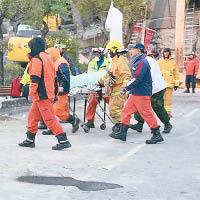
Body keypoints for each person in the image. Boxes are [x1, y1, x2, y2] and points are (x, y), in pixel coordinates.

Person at [18, 37, 71, 150]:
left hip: (42, 94)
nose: (30, 49)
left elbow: (35, 79)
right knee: (33, 117)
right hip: (46, 93)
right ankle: (30, 139)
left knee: (49, 119)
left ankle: (63, 139)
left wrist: (30, 94)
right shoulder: (48, 58)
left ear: (34, 47)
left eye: (30, 46)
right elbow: (54, 78)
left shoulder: (37, 59)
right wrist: (55, 94)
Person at [109, 43, 164, 144]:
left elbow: (136, 78)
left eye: (133, 49)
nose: (131, 51)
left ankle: (157, 134)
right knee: (126, 111)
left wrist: (126, 88)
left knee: (147, 114)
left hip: (142, 94)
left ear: (138, 50)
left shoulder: (142, 62)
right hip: (136, 93)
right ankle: (123, 133)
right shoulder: (139, 61)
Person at [129, 53, 172, 134]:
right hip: (147, 88)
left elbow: (145, 77)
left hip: (156, 88)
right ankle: (139, 124)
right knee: (139, 105)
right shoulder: (141, 61)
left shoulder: (147, 62)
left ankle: (167, 124)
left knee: (157, 106)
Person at [42, 47, 80, 135]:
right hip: (55, 90)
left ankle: (73, 120)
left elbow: (65, 76)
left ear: (52, 54)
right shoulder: (55, 62)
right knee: (51, 110)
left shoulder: (61, 62)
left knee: (57, 110)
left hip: (61, 91)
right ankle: (53, 128)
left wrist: (62, 87)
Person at [98, 40, 131, 132]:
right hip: (115, 89)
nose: (109, 53)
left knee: (115, 108)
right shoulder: (114, 61)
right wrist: (100, 82)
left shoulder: (121, 61)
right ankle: (120, 124)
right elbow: (109, 75)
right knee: (114, 108)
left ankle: (121, 125)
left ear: (114, 50)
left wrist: (124, 87)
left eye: (110, 51)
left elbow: (126, 75)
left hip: (119, 89)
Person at [85, 48, 109, 129]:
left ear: (102, 54)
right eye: (94, 54)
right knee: (92, 100)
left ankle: (119, 121)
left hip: (106, 86)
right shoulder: (92, 63)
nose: (95, 55)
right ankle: (90, 121)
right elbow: (90, 74)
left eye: (97, 54)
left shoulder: (108, 62)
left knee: (113, 102)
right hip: (95, 86)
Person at [157, 48, 179, 117]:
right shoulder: (159, 61)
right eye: (164, 52)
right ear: (163, 53)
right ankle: (160, 113)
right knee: (159, 100)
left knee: (168, 100)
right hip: (160, 84)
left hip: (169, 84)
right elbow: (155, 73)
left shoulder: (173, 62)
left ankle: (167, 113)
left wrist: (176, 84)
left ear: (169, 53)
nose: (166, 54)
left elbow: (176, 74)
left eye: (167, 52)